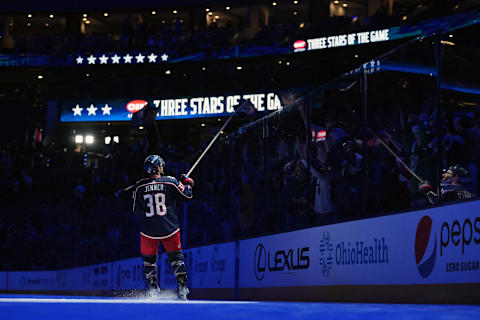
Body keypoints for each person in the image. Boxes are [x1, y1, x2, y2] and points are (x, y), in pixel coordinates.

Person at [131, 155, 194, 300]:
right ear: (158, 167)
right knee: (176, 258)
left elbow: (136, 210)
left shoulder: (139, 187)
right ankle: (182, 287)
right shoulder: (170, 182)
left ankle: (153, 289)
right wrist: (188, 183)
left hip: (148, 231)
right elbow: (187, 195)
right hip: (169, 228)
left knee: (149, 261)